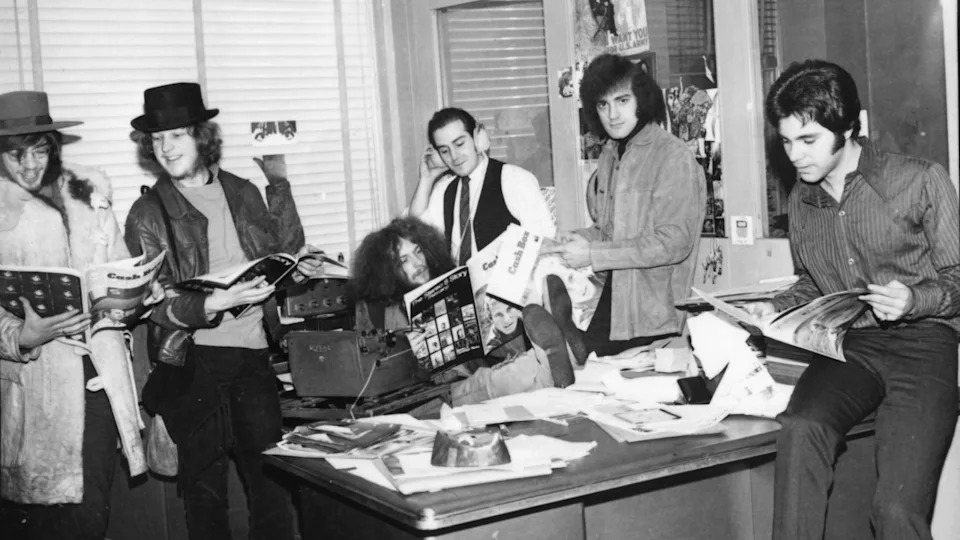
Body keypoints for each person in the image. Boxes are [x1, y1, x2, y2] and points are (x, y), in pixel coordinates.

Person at [747, 59, 959, 540]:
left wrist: (915, 300)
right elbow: (810, 281)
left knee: (895, 510)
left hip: (925, 346)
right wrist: (776, 307)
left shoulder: (922, 180)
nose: (795, 156)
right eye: (785, 141)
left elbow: (959, 277)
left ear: (852, 127)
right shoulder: (801, 199)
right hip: (852, 347)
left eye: (808, 140)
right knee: (801, 429)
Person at [124, 82, 322, 540]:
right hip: (195, 364)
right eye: (157, 139)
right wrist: (212, 302)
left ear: (201, 136)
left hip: (255, 357)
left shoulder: (242, 191)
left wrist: (297, 267)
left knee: (272, 490)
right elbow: (149, 304)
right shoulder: (147, 213)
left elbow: (274, 261)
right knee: (205, 497)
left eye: (175, 135)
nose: (166, 148)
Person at [0, 91, 148, 538]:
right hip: (34, 392)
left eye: (39, 150)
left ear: (53, 145)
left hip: (99, 383)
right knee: (40, 523)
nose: (29, 165)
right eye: (14, 154)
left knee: (90, 519)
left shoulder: (88, 192)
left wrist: (132, 294)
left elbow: (119, 266)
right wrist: (22, 336)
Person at [542, 53, 706, 362]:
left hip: (650, 312)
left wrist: (592, 254)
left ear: (641, 99)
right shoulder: (610, 153)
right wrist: (579, 239)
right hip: (611, 299)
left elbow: (672, 244)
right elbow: (610, 231)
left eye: (622, 100)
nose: (613, 114)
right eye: (603, 105)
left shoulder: (672, 156)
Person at [351, 216, 573, 406]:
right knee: (500, 379)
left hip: (472, 370)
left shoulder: (445, 284)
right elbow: (374, 378)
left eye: (419, 251)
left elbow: (480, 355)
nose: (418, 262)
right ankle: (554, 363)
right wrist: (407, 351)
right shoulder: (380, 311)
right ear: (386, 269)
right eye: (404, 260)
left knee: (513, 357)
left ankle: (557, 353)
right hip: (436, 395)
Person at [408, 107, 555, 264]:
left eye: (459, 144)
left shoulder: (515, 179)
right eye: (444, 151)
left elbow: (544, 241)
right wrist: (426, 179)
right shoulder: (444, 189)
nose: (454, 157)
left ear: (478, 138)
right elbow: (415, 234)